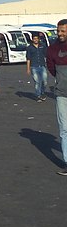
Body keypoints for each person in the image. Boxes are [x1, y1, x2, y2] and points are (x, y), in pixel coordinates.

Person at [47, 20, 67, 175]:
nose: (60, 34)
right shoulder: (52, 49)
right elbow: (51, 68)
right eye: (58, 31)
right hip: (61, 94)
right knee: (64, 129)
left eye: (63, 31)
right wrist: (61, 79)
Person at [26, 34, 48, 102]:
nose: (35, 40)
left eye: (36, 38)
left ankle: (42, 93)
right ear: (32, 39)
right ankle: (38, 95)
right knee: (37, 82)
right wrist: (28, 69)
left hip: (42, 66)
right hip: (34, 67)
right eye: (34, 38)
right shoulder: (29, 48)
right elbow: (28, 59)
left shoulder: (42, 46)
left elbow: (46, 55)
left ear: (38, 39)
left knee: (44, 81)